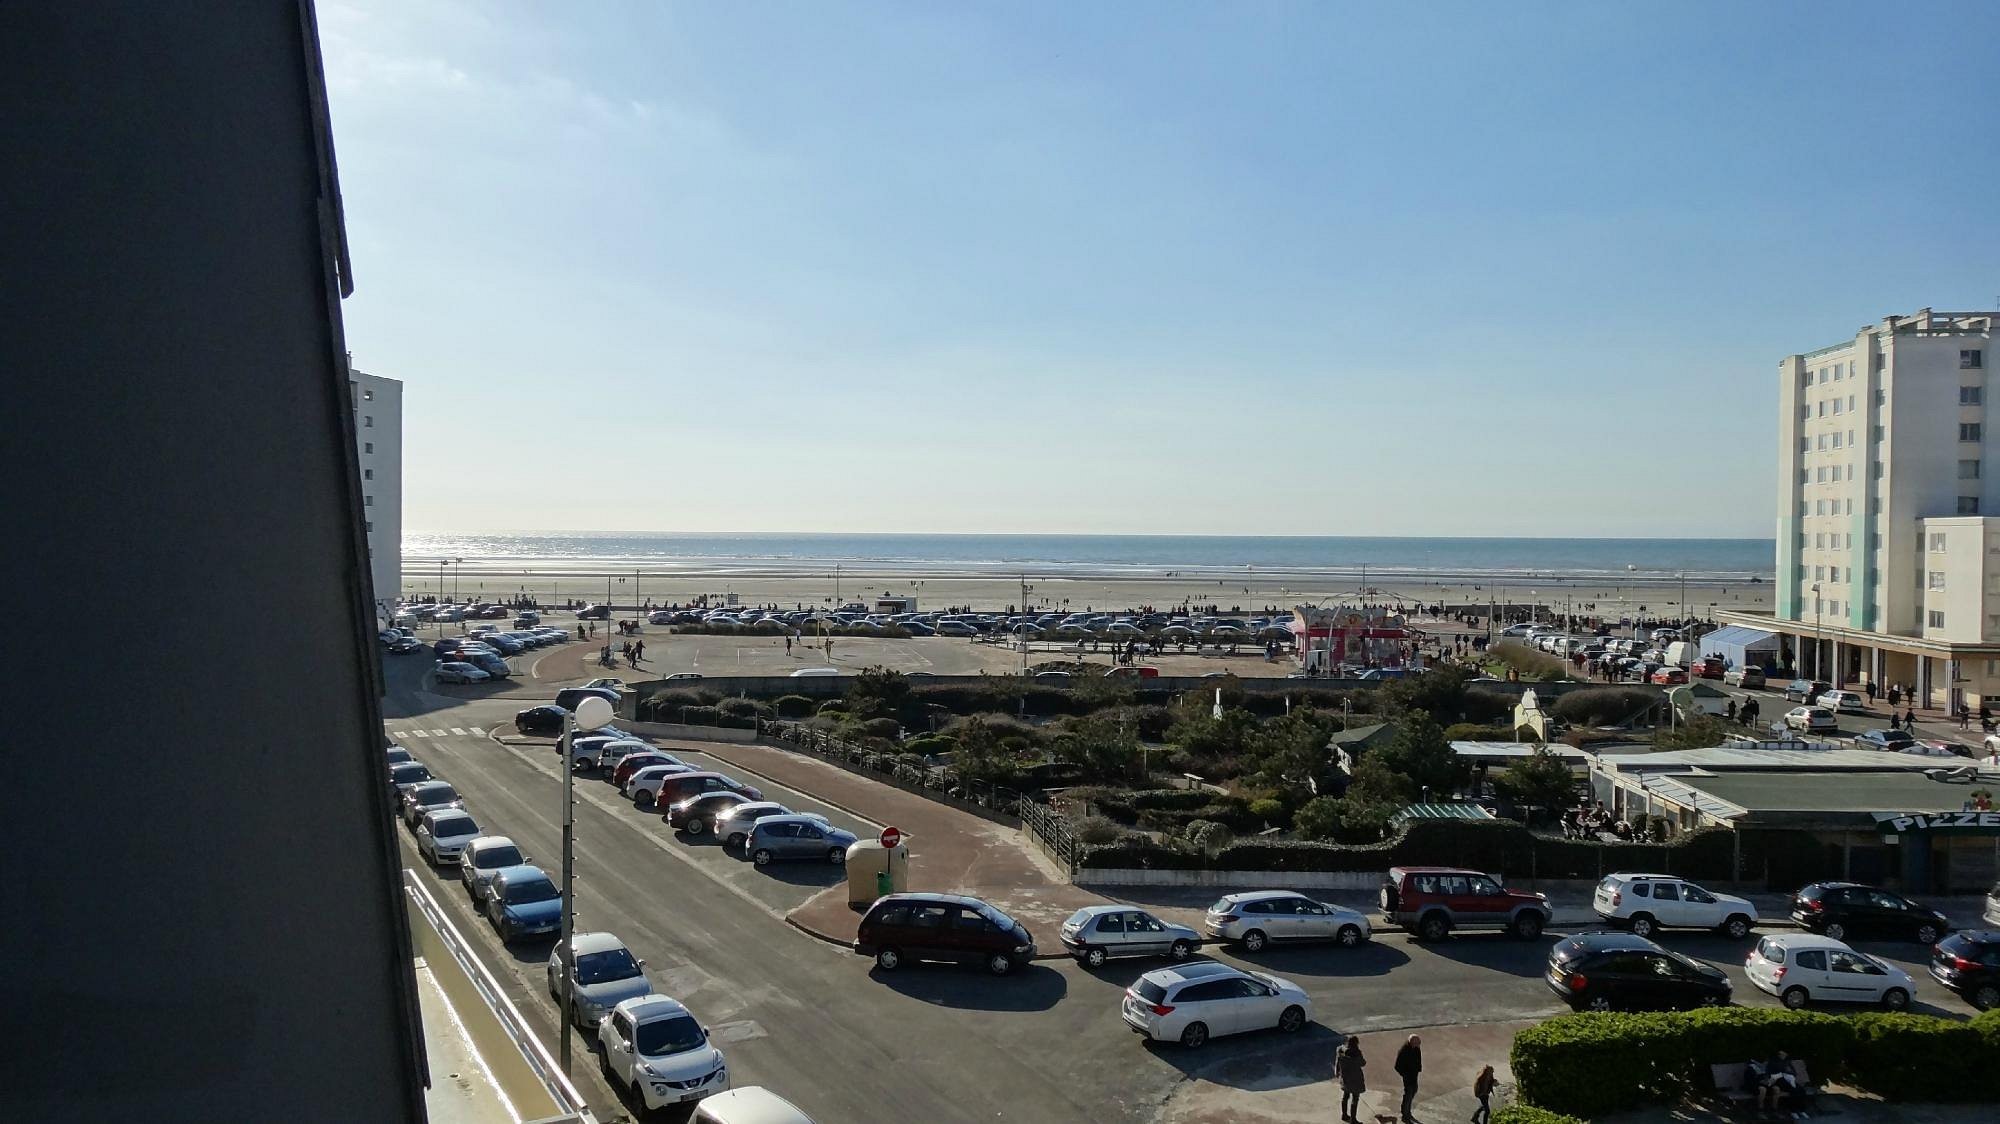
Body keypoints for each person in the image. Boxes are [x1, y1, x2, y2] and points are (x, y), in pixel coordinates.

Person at [1335, 1035, 1366, 1122]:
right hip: (1355, 1078)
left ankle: (1344, 1115)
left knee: (1345, 1096)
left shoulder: (1340, 1050)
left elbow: (1337, 1062)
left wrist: (1337, 1071)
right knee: (1355, 1098)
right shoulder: (1356, 1053)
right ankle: (1353, 1119)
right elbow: (1362, 1063)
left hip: (1345, 1077)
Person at [1395, 1034, 1422, 1123]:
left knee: (1412, 1093)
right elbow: (1397, 1066)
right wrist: (1405, 1075)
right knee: (1408, 1095)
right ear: (1412, 1042)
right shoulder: (1404, 1051)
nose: (1419, 1044)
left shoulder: (1416, 1049)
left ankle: (1407, 1112)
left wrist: (1418, 1069)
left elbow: (1418, 1059)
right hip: (1408, 1077)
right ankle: (1405, 1115)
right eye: (1418, 1043)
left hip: (1414, 1076)